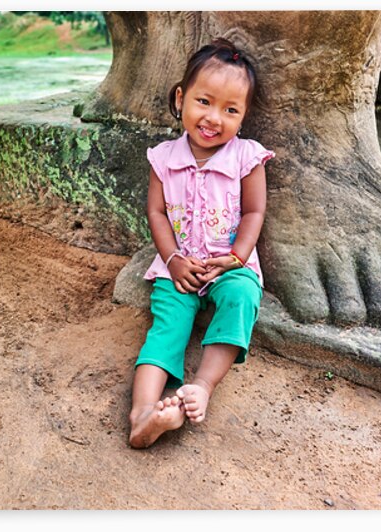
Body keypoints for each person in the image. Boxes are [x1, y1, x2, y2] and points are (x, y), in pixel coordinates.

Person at [129, 38, 275, 448]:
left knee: (242, 299)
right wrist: (173, 260)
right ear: (181, 98)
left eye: (230, 110)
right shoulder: (163, 158)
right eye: (204, 102)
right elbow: (156, 213)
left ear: (244, 116)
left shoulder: (247, 157)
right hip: (179, 266)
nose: (214, 118)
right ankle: (143, 414)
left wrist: (236, 258)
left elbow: (254, 213)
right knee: (167, 326)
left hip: (230, 265)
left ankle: (202, 387)